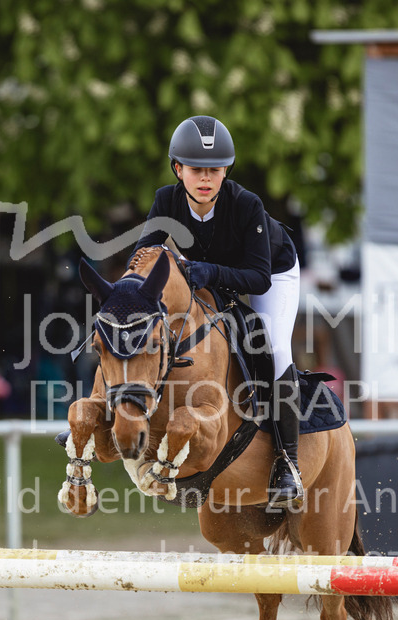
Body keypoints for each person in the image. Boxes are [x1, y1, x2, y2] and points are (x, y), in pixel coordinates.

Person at [130, 115, 304, 507]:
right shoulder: (165, 200)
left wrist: (208, 271)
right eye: (196, 170)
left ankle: (287, 464)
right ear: (178, 169)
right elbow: (142, 256)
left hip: (272, 272)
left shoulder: (246, 205)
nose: (205, 178)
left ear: (226, 170)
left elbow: (257, 278)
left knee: (274, 348)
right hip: (211, 274)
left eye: (214, 169)